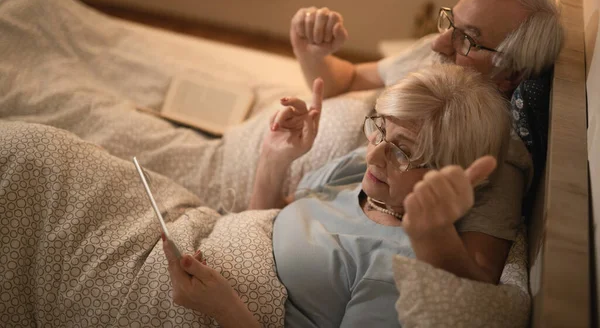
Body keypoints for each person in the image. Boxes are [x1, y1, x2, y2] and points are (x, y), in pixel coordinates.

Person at [164, 63, 513, 327]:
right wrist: (274, 159)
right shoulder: (358, 173)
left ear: (448, 172)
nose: (373, 155)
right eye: (379, 129)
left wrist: (222, 308)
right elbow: (265, 225)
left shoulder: (399, 270)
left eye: (402, 152)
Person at [289, 0, 563, 100]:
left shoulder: (470, 146)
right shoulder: (436, 52)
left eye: (468, 39)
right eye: (450, 22)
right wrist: (311, 53)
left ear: (512, 75)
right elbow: (349, 81)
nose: (438, 44)